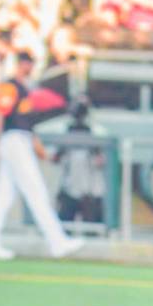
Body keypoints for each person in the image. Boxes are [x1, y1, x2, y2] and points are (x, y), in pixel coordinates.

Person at [0, 51, 84, 260]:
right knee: (36, 191)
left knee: (4, 197)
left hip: (22, 140)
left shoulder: (25, 90)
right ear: (20, 64)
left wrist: (40, 151)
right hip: (13, 141)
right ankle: (57, 242)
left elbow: (28, 126)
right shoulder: (10, 86)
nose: (30, 68)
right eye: (28, 63)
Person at [55, 95, 106, 226]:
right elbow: (56, 157)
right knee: (64, 227)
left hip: (91, 190)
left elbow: (103, 159)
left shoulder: (96, 131)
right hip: (69, 188)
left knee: (93, 228)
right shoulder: (65, 131)